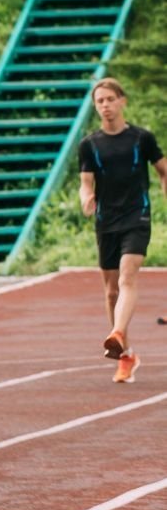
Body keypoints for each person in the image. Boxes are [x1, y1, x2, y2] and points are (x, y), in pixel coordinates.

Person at [78, 78, 167, 383]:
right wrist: (86, 198)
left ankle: (116, 332)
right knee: (111, 292)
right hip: (106, 222)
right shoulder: (89, 145)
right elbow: (85, 183)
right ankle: (126, 354)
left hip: (137, 217)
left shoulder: (142, 138)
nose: (105, 105)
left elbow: (163, 170)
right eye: (99, 101)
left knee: (127, 277)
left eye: (110, 99)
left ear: (122, 101)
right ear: (95, 107)